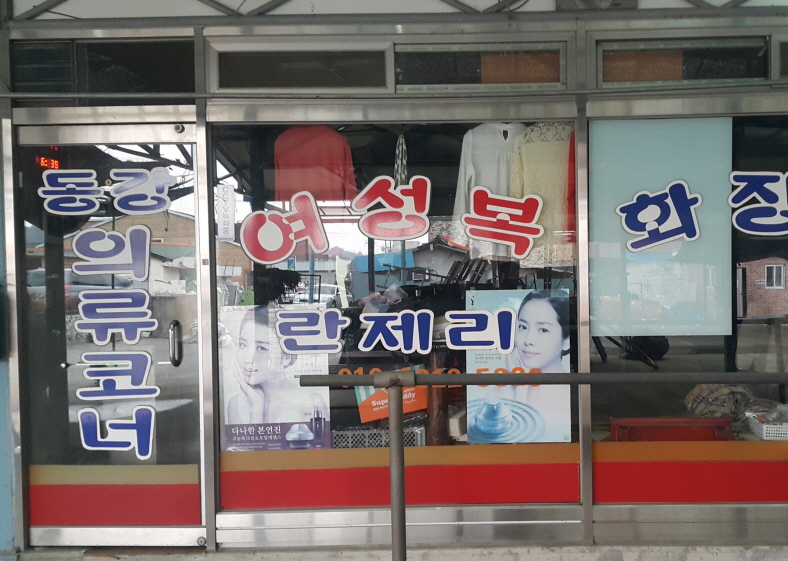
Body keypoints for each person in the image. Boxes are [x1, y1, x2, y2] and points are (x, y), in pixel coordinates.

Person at [225, 306, 299, 425]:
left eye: (261, 348)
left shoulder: (309, 402)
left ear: (286, 357)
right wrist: (256, 407)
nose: (247, 359)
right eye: (243, 345)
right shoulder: (236, 404)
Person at [511, 290, 571, 374]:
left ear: (567, 341)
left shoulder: (577, 382)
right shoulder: (508, 380)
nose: (528, 341)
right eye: (523, 327)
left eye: (543, 330)